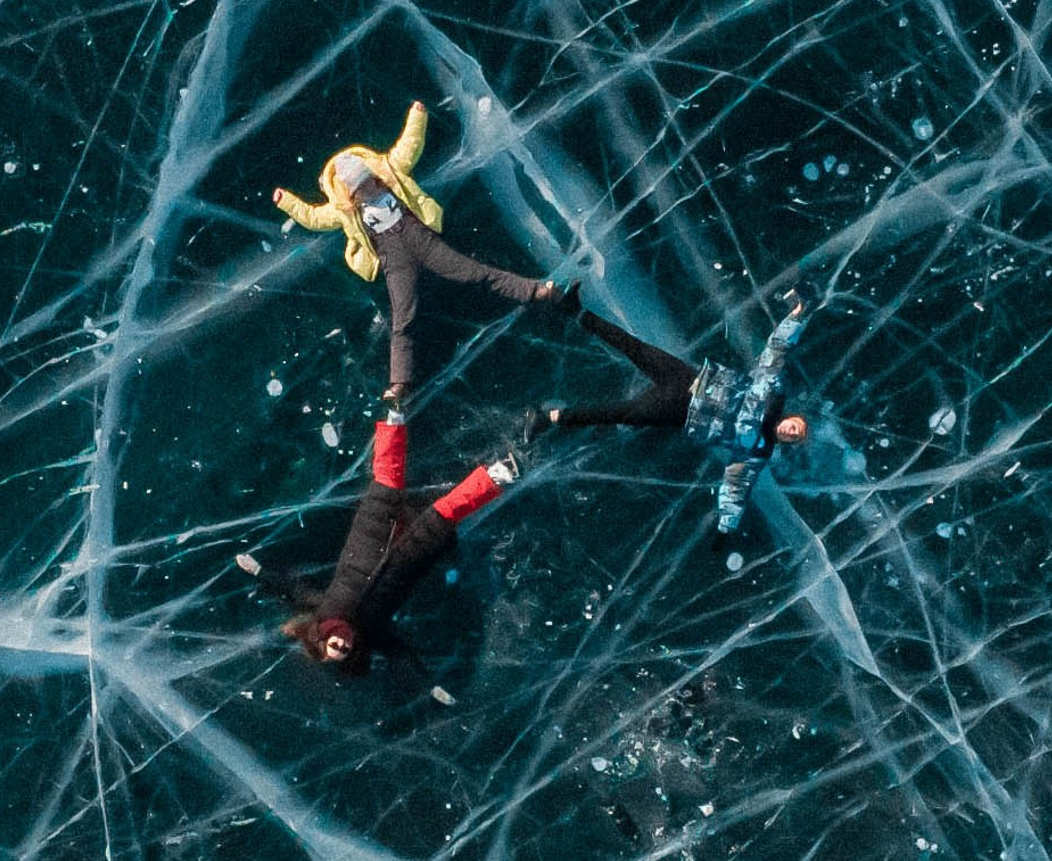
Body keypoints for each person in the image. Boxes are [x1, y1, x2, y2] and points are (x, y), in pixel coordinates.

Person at [273, 100, 572, 397]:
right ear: (350, 194)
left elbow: (410, 145)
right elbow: (314, 217)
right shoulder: (344, 211)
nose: (370, 188)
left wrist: (417, 115)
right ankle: (400, 384)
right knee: (404, 317)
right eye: (361, 187)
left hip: (421, 239)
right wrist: (287, 201)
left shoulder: (389, 169)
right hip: (393, 259)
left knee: (475, 274)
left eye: (370, 181)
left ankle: (538, 291)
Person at [541, 295, 811, 533]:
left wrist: (727, 524)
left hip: (681, 411)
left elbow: (737, 482)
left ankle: (553, 418)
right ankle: (574, 309)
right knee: (632, 347)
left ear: (787, 442)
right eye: (794, 427)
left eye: (793, 437)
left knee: (622, 413)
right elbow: (775, 352)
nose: (790, 431)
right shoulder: (771, 393)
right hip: (688, 378)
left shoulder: (757, 450)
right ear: (790, 418)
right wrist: (796, 316)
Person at [281, 408, 522, 672]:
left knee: (387, 479)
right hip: (409, 556)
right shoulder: (371, 634)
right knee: (447, 512)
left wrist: (258, 572)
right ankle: (501, 470)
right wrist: (428, 684)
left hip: (371, 533)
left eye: (336, 646)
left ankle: (394, 411)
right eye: (346, 650)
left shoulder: (322, 608)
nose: (344, 644)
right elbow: (399, 654)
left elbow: (294, 590)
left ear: (323, 635)